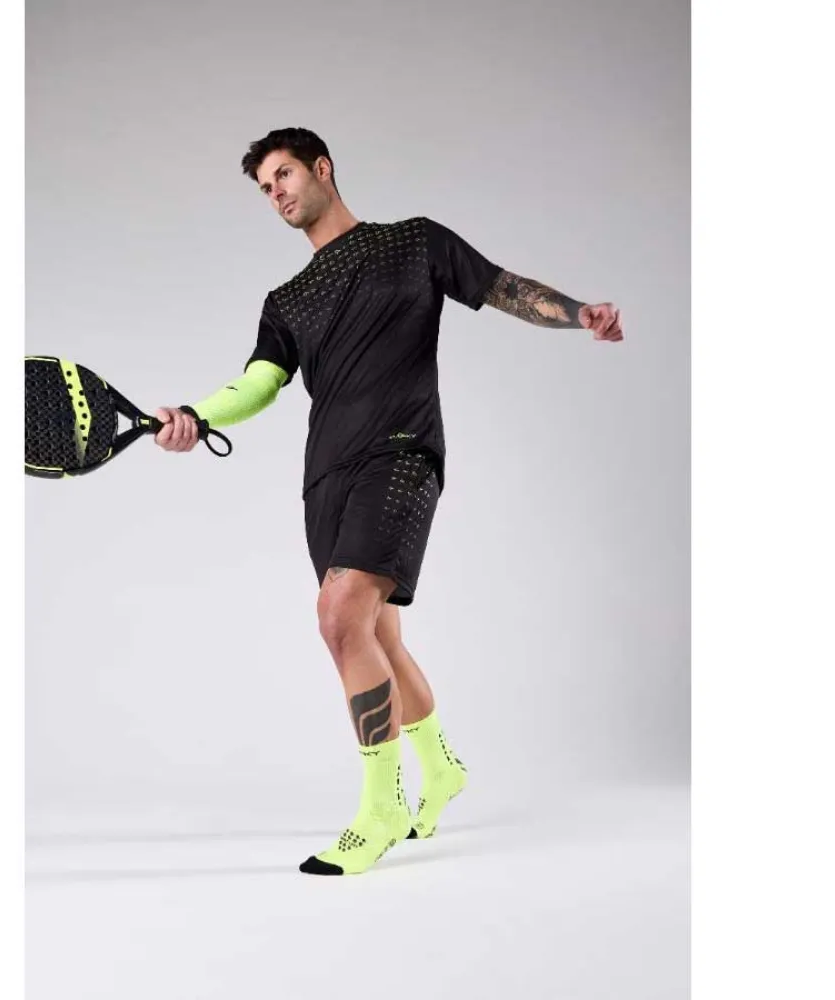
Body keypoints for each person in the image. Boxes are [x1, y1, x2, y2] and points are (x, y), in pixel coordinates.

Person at [153, 128, 624, 876]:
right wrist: (196, 415)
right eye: (265, 188)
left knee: (340, 617)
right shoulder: (286, 300)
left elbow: (503, 287)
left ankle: (381, 808)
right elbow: (259, 383)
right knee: (377, 636)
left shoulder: (414, 243)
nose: (276, 193)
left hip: (403, 454)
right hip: (326, 477)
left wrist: (579, 313)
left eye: (284, 174)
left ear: (322, 168)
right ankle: (442, 768)